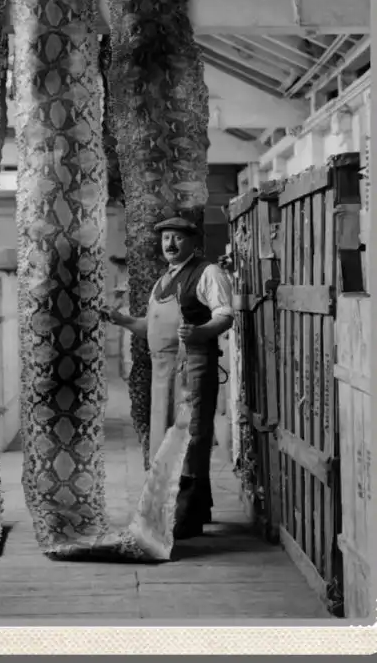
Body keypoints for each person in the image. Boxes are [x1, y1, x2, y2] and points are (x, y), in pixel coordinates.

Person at [107, 217, 234, 540]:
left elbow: (224, 315)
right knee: (166, 439)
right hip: (163, 373)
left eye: (177, 238)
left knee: (190, 437)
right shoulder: (163, 281)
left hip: (192, 366)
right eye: (166, 239)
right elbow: (150, 328)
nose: (170, 244)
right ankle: (197, 509)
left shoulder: (208, 273)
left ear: (193, 243)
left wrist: (200, 332)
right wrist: (122, 320)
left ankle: (186, 518)